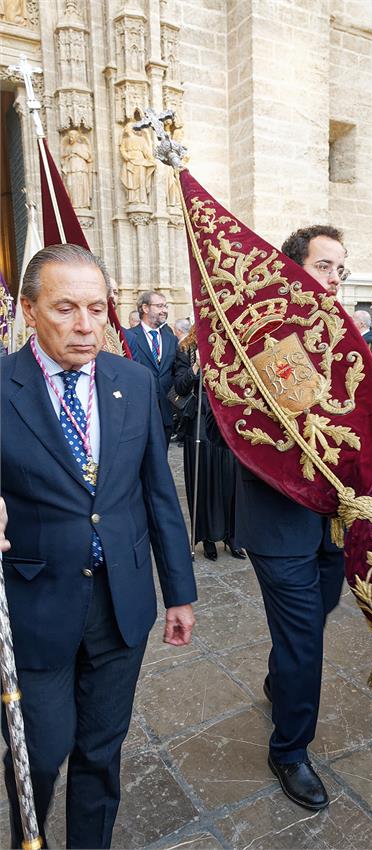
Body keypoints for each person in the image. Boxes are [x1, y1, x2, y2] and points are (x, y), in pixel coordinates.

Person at [0, 244, 197, 849]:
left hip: (122, 602)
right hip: (36, 605)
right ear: (30, 311)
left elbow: (158, 493)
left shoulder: (133, 382)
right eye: (66, 309)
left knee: (101, 750)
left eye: (96, 308)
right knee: (40, 752)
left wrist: (179, 593)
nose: (86, 326)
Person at [233, 225, 349, 810]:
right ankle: (291, 751)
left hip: (333, 518)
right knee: (305, 637)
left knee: (318, 613)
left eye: (340, 271)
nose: (333, 280)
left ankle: (281, 681)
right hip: (280, 522)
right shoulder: (263, 338)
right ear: (294, 269)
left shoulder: (338, 338)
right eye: (324, 267)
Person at [173, 325, 245, 561]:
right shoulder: (187, 349)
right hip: (200, 423)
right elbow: (180, 387)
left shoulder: (234, 346)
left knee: (231, 480)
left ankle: (233, 536)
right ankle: (207, 537)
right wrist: (197, 365)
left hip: (228, 421)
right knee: (204, 480)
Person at [128, 291, 178, 442]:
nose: (165, 310)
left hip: (166, 412)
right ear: (145, 308)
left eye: (166, 306)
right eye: (159, 306)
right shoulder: (130, 337)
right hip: (140, 412)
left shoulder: (171, 339)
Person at [61, 129, 93, 210]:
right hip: (70, 170)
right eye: (69, 137)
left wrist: (76, 152)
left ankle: (82, 205)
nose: (70, 138)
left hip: (80, 169)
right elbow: (63, 158)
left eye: (72, 137)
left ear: (76, 137)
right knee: (70, 185)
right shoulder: (68, 147)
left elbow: (87, 157)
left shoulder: (82, 146)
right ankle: (72, 205)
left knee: (80, 186)